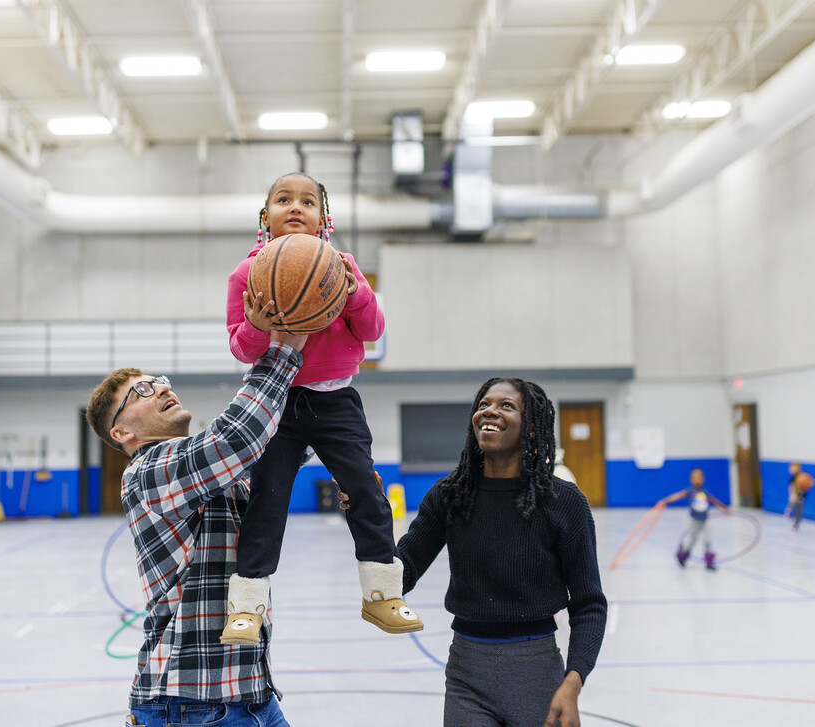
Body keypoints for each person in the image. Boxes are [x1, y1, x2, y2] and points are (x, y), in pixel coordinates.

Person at [221, 171, 420, 645]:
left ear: (323, 219)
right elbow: (241, 350)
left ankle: (382, 594)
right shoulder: (247, 274)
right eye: (283, 199)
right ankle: (246, 607)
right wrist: (255, 325)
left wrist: (355, 293)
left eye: (307, 201)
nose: (295, 207)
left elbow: (372, 331)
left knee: (367, 492)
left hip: (335, 398)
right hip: (274, 400)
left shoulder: (344, 267)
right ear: (264, 217)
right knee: (266, 503)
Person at [85, 330, 307, 727]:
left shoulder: (211, 474)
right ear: (121, 433)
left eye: (160, 381)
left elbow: (278, 450)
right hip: (190, 706)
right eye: (142, 391)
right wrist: (283, 349)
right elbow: (237, 438)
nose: (161, 389)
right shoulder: (147, 471)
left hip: (250, 694)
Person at [393, 377, 607, 727]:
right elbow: (400, 575)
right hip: (466, 670)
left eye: (506, 405)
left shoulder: (564, 503)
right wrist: (366, 511)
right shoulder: (450, 496)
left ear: (533, 429)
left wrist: (573, 682)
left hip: (536, 672)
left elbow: (590, 605)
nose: (489, 410)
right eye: (483, 404)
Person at [659, 468, 730, 570]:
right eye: (695, 477)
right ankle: (683, 556)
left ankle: (709, 563)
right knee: (691, 542)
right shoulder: (689, 491)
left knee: (707, 540)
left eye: (699, 477)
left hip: (704, 521)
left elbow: (714, 501)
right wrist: (665, 501)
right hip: (694, 522)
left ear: (703, 479)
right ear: (691, 479)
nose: (697, 480)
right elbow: (677, 496)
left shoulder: (705, 492)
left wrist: (724, 507)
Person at [786, 462, 815, 530]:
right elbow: (791, 487)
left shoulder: (803, 476)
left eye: (794, 468)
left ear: (799, 468)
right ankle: (790, 512)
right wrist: (792, 494)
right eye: (792, 468)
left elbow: (809, 482)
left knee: (799, 509)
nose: (793, 469)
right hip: (795, 494)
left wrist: (810, 483)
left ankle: (796, 523)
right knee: (792, 505)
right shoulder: (792, 478)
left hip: (801, 495)